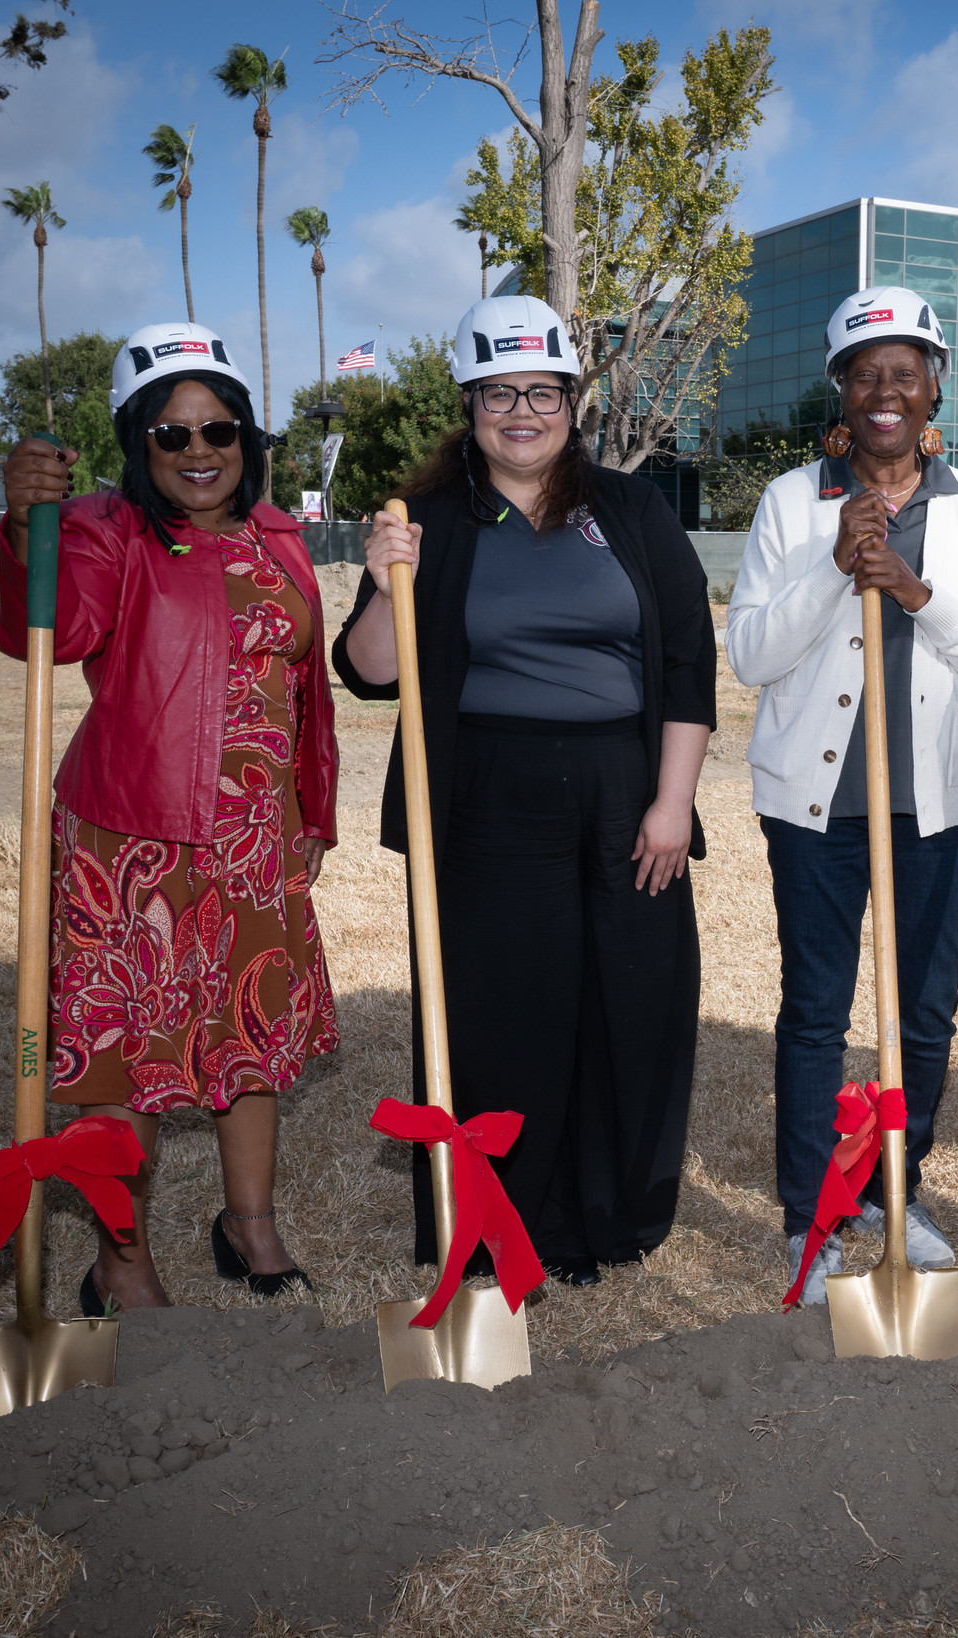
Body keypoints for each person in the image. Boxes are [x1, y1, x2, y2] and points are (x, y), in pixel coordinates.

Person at [332, 294, 716, 1288]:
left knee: (625, 1001)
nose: (520, 411)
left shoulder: (630, 511)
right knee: (503, 1014)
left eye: (540, 391)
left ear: (570, 400)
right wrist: (381, 583)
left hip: (624, 792)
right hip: (485, 797)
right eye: (497, 391)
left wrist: (670, 804)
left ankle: (601, 1218)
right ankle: (497, 1224)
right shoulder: (423, 521)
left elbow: (685, 667)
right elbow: (371, 671)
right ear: (468, 403)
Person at [0, 322, 339, 1312]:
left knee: (251, 1032)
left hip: (256, 839)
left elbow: (302, 688)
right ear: (136, 441)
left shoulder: (277, 536)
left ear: (246, 437)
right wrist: (27, 529)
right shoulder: (108, 531)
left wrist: (310, 807)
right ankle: (121, 1260)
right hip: (131, 842)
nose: (199, 453)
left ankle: (250, 1224)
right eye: (171, 434)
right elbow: (55, 629)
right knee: (125, 1059)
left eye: (218, 430)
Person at [726, 287, 958, 1302]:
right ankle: (815, 1212)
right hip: (812, 813)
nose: (885, 390)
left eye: (905, 370)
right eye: (865, 372)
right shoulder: (787, 500)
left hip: (930, 811)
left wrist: (909, 589)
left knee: (924, 1013)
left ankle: (896, 1185)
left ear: (934, 382)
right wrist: (831, 563)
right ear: (840, 392)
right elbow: (750, 656)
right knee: (815, 1011)